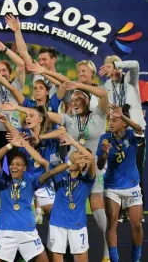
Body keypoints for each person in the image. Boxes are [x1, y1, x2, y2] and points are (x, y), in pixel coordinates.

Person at [0, 133, 87, 262]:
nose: (14, 167)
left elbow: (50, 172)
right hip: (6, 232)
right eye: (12, 164)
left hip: (28, 231)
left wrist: (69, 162)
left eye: (18, 164)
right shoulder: (3, 180)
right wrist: (11, 145)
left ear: (25, 168)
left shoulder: (31, 181)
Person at [45, 82, 110, 261]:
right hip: (73, 168)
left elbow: (104, 95)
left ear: (88, 101)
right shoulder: (69, 119)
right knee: (69, 204)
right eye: (72, 99)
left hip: (92, 167)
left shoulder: (98, 114)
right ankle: (64, 247)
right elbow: (46, 115)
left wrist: (79, 85)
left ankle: (107, 253)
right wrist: (23, 108)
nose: (75, 101)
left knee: (97, 205)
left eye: (79, 98)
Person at [97, 104, 144, 262]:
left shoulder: (131, 136)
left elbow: (139, 129)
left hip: (132, 186)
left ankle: (136, 259)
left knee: (137, 225)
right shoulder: (104, 139)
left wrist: (122, 115)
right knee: (112, 223)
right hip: (112, 188)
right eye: (110, 119)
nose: (111, 122)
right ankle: (114, 260)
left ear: (124, 122)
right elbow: (99, 165)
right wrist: (104, 154)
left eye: (115, 119)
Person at [99, 57, 146, 204]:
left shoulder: (130, 80)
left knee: (136, 169)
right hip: (118, 134)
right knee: (116, 169)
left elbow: (136, 64)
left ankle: (137, 204)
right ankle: (119, 208)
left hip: (135, 132)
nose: (114, 71)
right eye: (110, 68)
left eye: (116, 67)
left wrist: (115, 65)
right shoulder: (107, 85)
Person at [47, 133, 96, 262]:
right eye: (77, 154)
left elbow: (91, 158)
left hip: (77, 224)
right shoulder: (60, 173)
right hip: (57, 223)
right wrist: (70, 161)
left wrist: (74, 143)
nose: (80, 157)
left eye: (83, 157)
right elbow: (50, 168)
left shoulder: (87, 181)